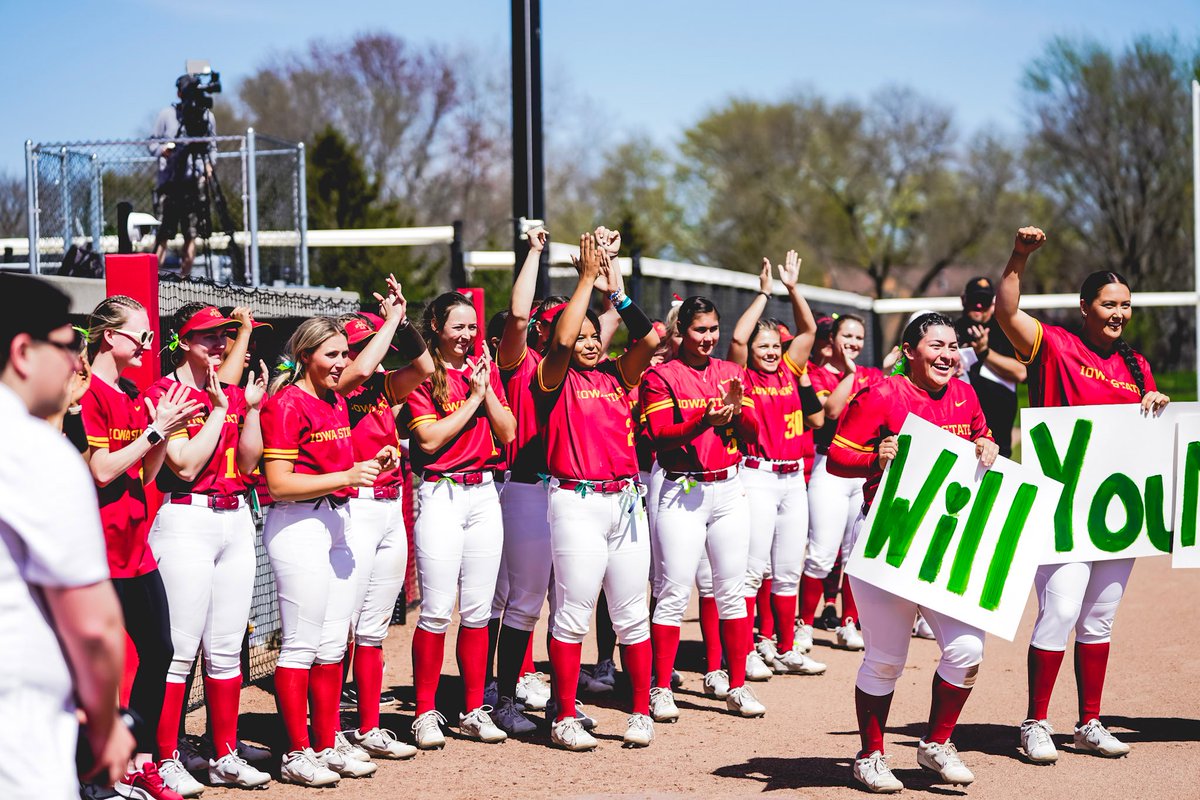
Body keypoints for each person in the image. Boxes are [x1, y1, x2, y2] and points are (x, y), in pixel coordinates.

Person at [993, 227, 1170, 764]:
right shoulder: (1054, 345)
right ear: (1085, 306)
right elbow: (1006, 314)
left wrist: (1158, 403)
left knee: (1100, 621)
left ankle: (1089, 722)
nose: (1118, 314)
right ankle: (1035, 723)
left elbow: (1147, 437)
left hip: (1117, 513)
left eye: (1125, 306)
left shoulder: (1137, 366)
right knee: (1060, 612)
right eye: (1108, 304)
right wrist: (1020, 257)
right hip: (1061, 510)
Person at [828, 311, 997, 793]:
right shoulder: (882, 392)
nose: (947, 355)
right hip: (888, 539)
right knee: (885, 658)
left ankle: (936, 744)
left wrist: (987, 443)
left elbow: (983, 435)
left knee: (967, 649)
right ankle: (871, 755)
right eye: (936, 346)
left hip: (947, 541)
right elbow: (838, 458)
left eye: (952, 346)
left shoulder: (965, 393)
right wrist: (873, 456)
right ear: (909, 352)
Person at [0, 276, 134, 800]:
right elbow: (94, 625)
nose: (77, 364)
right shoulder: (33, 451)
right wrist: (105, 725)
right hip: (19, 738)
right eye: (67, 346)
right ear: (23, 352)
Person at [535, 234, 662, 751]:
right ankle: (564, 714)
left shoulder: (616, 373)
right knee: (573, 610)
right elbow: (561, 343)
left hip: (626, 501)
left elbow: (650, 339)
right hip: (576, 502)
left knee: (633, 612)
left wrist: (618, 294)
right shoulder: (553, 375)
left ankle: (639, 710)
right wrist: (585, 279)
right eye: (582, 333)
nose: (589, 342)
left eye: (595, 335)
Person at [142, 304, 271, 794]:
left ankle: (225, 754)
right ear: (182, 340)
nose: (218, 345)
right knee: (177, 651)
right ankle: (166, 756)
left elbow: (249, 460)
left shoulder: (232, 391)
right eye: (207, 337)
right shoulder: (165, 392)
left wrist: (251, 410)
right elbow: (186, 465)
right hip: (185, 517)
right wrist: (220, 409)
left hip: (235, 516)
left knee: (225, 651)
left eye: (223, 336)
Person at [80, 294, 201, 799]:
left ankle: (142, 760)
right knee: (105, 667)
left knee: (161, 650)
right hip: (100, 550)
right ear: (110, 336)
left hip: (136, 547)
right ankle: (103, 770)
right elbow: (102, 469)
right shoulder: (88, 393)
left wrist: (161, 433)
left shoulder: (131, 392)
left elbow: (145, 474)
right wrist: (154, 429)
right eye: (141, 335)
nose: (150, 345)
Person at [260, 317, 388, 786]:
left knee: (334, 643)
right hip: (298, 524)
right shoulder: (287, 402)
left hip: (334, 518)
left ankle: (325, 740)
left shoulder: (332, 399)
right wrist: (347, 477)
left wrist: (363, 466)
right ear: (306, 356)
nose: (342, 363)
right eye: (331, 354)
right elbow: (278, 484)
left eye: (344, 354)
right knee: (300, 644)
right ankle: (295, 753)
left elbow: (333, 466)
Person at [642, 296, 765, 722]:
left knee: (732, 590)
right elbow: (659, 436)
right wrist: (705, 421)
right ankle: (660, 687)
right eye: (700, 330)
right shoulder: (661, 375)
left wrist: (734, 413)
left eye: (714, 329)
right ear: (681, 332)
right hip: (682, 489)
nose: (709, 338)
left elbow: (752, 433)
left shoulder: (731, 372)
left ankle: (736, 684)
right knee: (674, 591)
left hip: (729, 487)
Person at [402, 292, 516, 750]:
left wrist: (484, 391)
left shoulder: (482, 372)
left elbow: (508, 433)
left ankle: (472, 709)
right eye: (459, 327)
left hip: (484, 492)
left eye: (473, 327)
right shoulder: (424, 375)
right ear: (436, 326)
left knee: (477, 609)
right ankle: (424, 713)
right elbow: (429, 440)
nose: (468, 336)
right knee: (434, 610)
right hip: (442, 491)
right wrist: (474, 399)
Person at [334, 278, 432, 759]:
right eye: (353, 347)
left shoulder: (381, 388)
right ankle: (329, 729)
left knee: (373, 627)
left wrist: (403, 319)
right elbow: (356, 370)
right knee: (340, 625)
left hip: (391, 506)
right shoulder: (338, 388)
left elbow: (424, 366)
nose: (366, 355)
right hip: (353, 506)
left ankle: (368, 726)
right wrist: (387, 324)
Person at [726, 252, 825, 679]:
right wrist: (764, 294)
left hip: (792, 479)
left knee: (788, 569)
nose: (768, 351)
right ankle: (748, 648)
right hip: (757, 476)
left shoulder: (789, 367)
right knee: (752, 569)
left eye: (773, 345)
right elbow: (737, 338)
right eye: (762, 346)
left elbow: (810, 329)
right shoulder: (744, 372)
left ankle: (784, 647)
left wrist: (792, 288)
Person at [799, 314, 889, 653]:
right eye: (847, 336)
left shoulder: (871, 375)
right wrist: (850, 375)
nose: (853, 342)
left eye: (859, 337)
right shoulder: (819, 372)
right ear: (832, 338)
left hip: (863, 469)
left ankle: (849, 622)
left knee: (856, 554)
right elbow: (831, 413)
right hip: (829, 467)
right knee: (822, 554)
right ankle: (804, 625)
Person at [150, 75, 217, 279]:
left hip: (192, 184)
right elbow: (152, 144)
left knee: (192, 234)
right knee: (163, 234)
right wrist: (164, 150)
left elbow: (212, 147)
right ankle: (152, 280)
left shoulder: (206, 117)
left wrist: (208, 166)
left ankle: (184, 280)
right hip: (169, 184)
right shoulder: (166, 115)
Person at [954, 277, 1026, 457]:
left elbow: (1021, 373)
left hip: (998, 427)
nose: (979, 306)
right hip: (960, 424)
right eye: (974, 300)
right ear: (963, 300)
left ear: (993, 304)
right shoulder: (951, 331)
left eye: (984, 301)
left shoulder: (1006, 331)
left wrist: (985, 352)